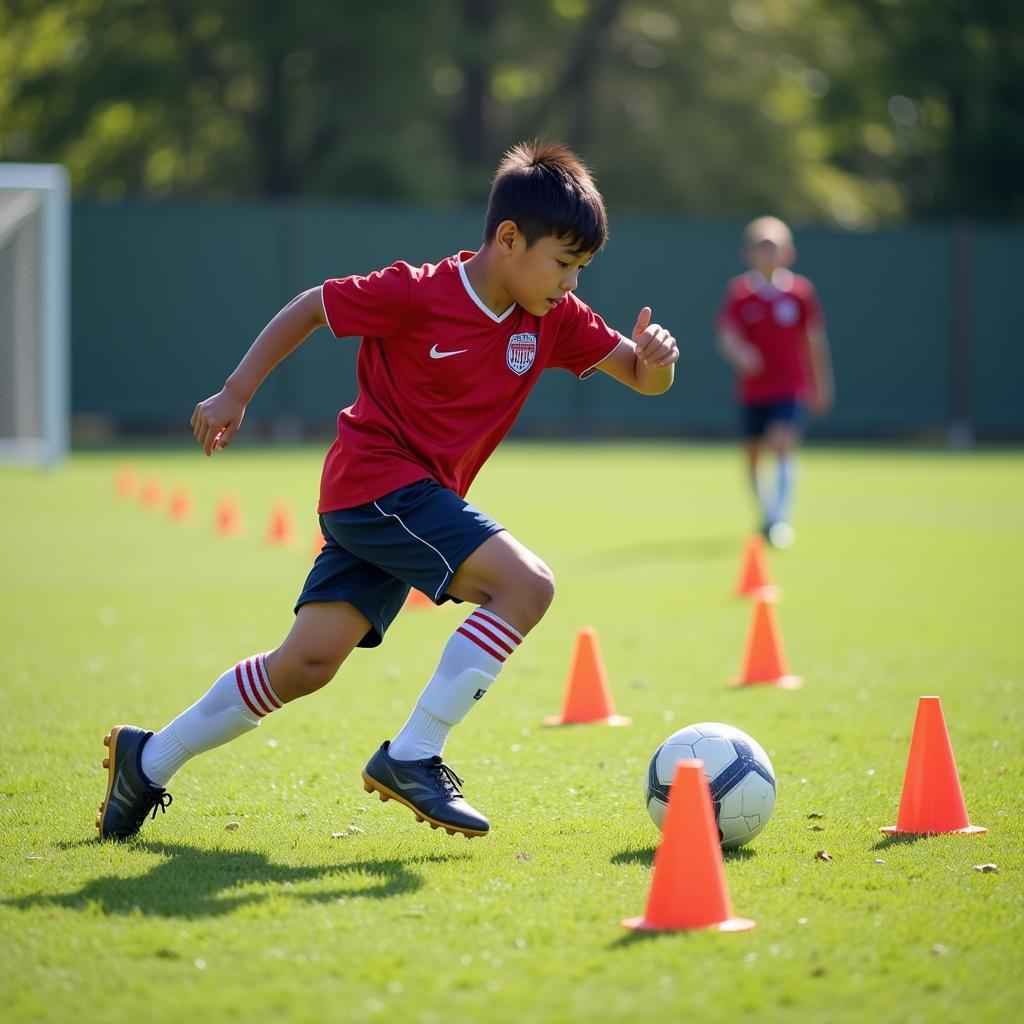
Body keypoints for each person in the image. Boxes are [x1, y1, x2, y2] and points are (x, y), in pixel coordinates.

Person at [96, 140, 679, 842]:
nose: (572, 283)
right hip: (377, 486)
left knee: (306, 665)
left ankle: (146, 760)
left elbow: (643, 378)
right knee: (528, 587)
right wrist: (235, 392)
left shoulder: (552, 319)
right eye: (564, 263)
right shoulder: (419, 291)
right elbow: (313, 307)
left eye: (582, 268)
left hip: (393, 507)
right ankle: (414, 755)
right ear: (508, 238)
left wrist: (657, 360)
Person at [715, 216, 833, 548]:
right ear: (749, 253)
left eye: (775, 246)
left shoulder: (800, 292)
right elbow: (726, 334)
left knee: (782, 442)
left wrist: (821, 385)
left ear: (788, 253)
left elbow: (814, 341)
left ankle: (779, 520)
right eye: (762, 246)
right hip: (753, 391)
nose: (768, 253)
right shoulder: (740, 293)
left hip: (790, 388)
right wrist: (742, 354)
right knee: (753, 455)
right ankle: (766, 514)